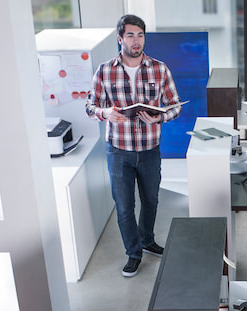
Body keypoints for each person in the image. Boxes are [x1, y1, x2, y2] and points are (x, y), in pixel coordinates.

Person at [86, 14, 182, 278]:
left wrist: (159, 117)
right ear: (120, 39)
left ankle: (147, 240)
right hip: (119, 151)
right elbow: (90, 106)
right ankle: (134, 253)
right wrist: (105, 113)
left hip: (150, 149)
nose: (136, 40)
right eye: (130, 35)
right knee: (124, 206)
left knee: (151, 200)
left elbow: (175, 105)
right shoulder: (105, 70)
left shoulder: (159, 69)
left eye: (140, 35)